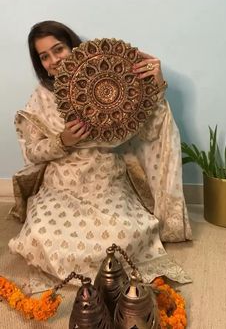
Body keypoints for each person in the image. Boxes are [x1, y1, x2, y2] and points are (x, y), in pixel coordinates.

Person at [9, 20, 192, 287]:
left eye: (58, 49)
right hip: (62, 185)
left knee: (125, 235)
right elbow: (33, 151)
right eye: (44, 57)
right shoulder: (41, 97)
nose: (53, 61)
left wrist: (156, 84)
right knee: (41, 235)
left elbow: (150, 129)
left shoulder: (114, 85)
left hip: (107, 178)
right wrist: (63, 140)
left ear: (74, 47)